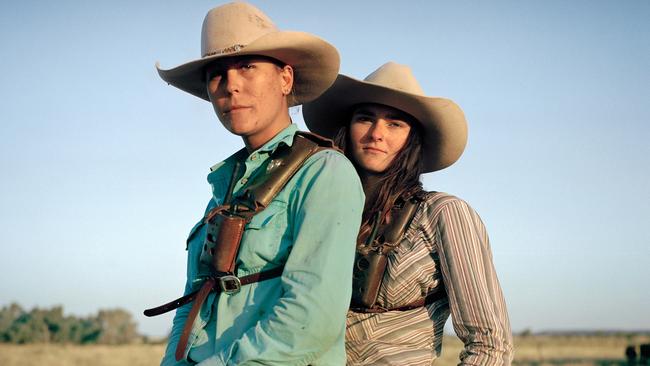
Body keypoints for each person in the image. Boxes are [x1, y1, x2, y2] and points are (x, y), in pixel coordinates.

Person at [148, 2, 364, 365]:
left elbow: (311, 319)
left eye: (247, 67)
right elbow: (194, 299)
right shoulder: (227, 185)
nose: (231, 86)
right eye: (217, 74)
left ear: (285, 79)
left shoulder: (324, 173)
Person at [303, 62, 513, 365]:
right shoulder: (317, 211)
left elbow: (490, 345)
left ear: (412, 138)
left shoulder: (444, 213)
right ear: (347, 128)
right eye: (365, 119)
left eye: (395, 124)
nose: (376, 134)